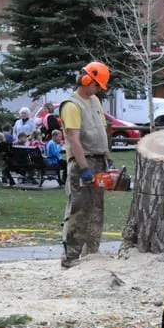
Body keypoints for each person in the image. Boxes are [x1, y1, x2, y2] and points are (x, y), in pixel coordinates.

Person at [60, 61, 112, 268]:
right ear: (86, 79)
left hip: (99, 159)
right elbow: (74, 139)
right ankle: (71, 256)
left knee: (96, 208)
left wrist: (108, 157)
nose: (98, 89)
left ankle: (92, 252)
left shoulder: (94, 102)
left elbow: (102, 130)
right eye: (97, 85)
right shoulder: (71, 105)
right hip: (83, 162)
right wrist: (84, 169)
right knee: (79, 209)